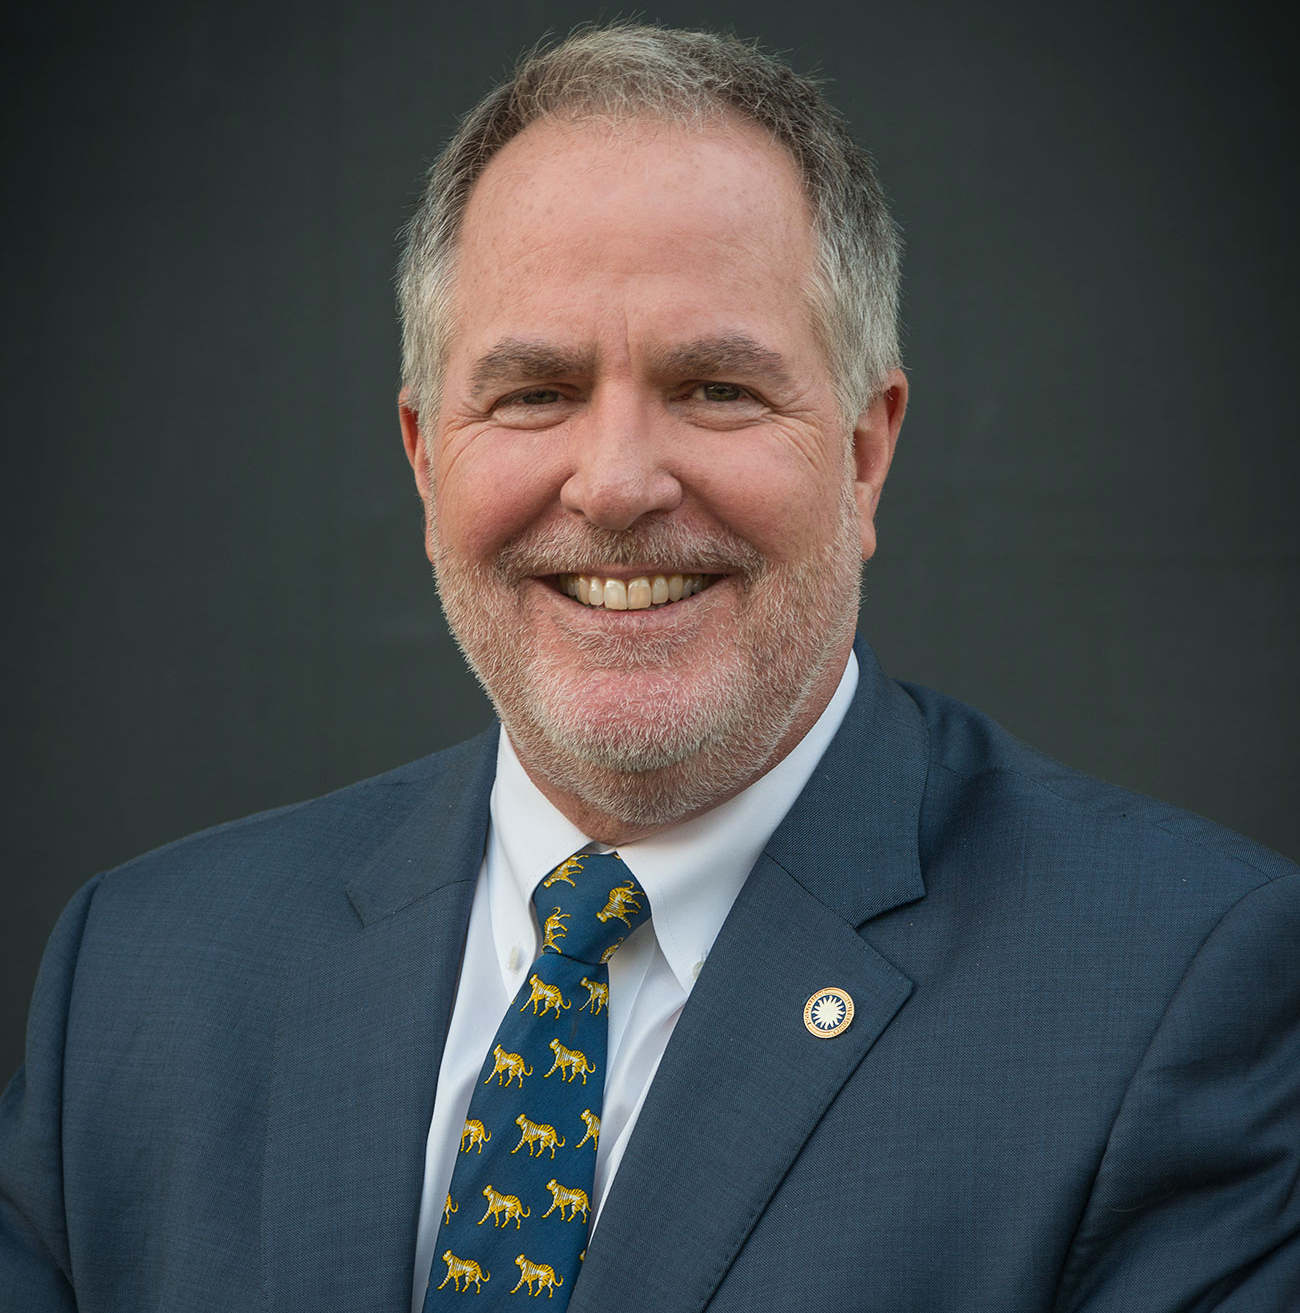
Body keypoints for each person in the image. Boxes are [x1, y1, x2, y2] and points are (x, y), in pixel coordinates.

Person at [2, 23, 1297, 1313]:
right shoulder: (143, 979)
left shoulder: (1178, 995)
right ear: (423, 454)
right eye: (534, 392)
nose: (617, 481)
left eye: (718, 386)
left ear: (862, 452)